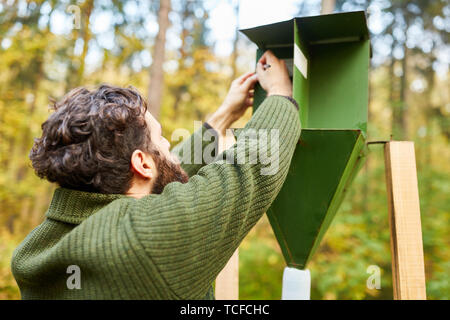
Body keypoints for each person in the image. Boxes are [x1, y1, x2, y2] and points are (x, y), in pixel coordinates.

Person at [11, 50, 301, 299]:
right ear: (142, 163)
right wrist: (279, 94)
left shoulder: (38, 249)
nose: (168, 146)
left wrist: (221, 118)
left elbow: (157, 179)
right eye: (161, 139)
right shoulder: (146, 242)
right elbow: (244, 171)